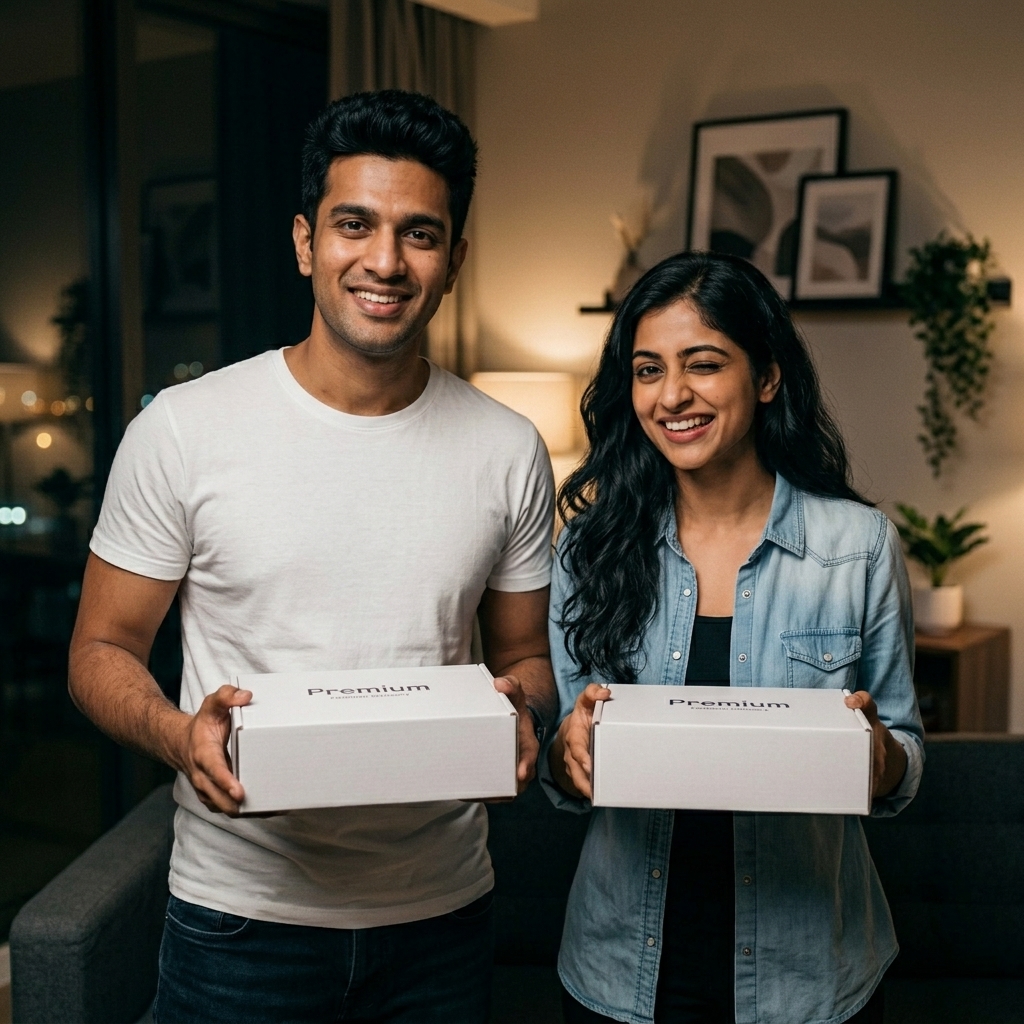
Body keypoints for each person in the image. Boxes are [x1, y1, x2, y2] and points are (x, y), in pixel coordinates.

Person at [68, 89, 557, 1024]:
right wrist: (180, 736)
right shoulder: (183, 431)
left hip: (442, 919)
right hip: (240, 920)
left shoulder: (508, 448)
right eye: (354, 225)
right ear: (305, 242)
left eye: (419, 234)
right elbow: (99, 652)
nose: (385, 261)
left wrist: (524, 712)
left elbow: (526, 659)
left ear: (454, 260)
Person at [540, 250, 924, 1024]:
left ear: (767, 377)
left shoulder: (858, 548)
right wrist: (566, 752)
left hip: (810, 972)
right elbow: (560, 762)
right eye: (648, 370)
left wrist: (876, 754)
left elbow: (905, 756)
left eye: (704, 364)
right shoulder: (588, 551)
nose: (672, 395)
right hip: (623, 969)